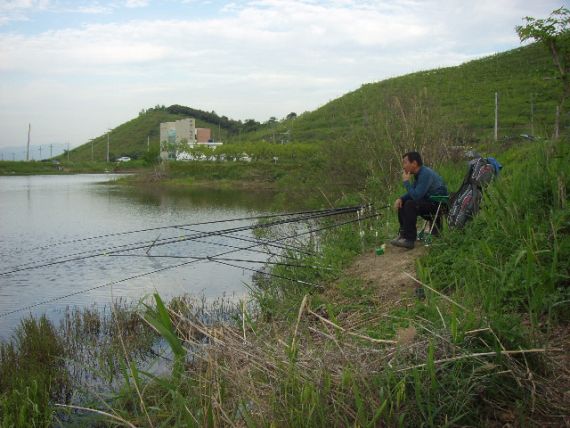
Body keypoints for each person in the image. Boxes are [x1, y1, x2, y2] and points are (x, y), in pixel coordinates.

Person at [391, 151, 448, 249]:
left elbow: (416, 196)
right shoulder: (419, 174)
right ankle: (403, 234)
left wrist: (406, 182)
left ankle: (409, 240)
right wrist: (400, 198)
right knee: (403, 202)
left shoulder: (425, 174)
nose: (403, 166)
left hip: (438, 206)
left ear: (414, 163)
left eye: (405, 163)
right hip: (429, 203)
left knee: (410, 204)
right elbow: (412, 193)